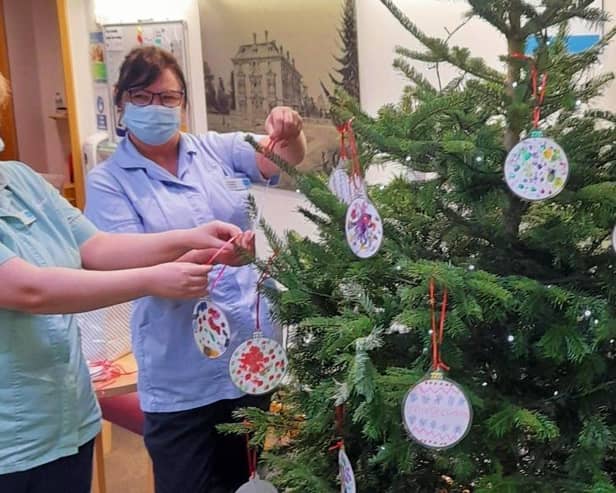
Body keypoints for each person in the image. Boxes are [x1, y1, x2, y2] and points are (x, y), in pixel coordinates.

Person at [0, 71, 253, 493]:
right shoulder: (109, 178)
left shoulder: (20, 181)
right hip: (12, 438)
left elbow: (97, 248)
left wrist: (191, 238)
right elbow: (30, 289)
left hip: (66, 420)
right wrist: (154, 280)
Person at [85, 46, 306, 492]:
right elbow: (124, 255)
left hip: (247, 352)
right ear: (122, 101)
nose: (157, 108)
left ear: (183, 102)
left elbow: (283, 157)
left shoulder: (213, 149)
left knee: (241, 480)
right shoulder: (110, 180)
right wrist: (203, 254)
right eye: (143, 97)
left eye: (168, 98)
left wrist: (290, 130)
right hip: (179, 368)